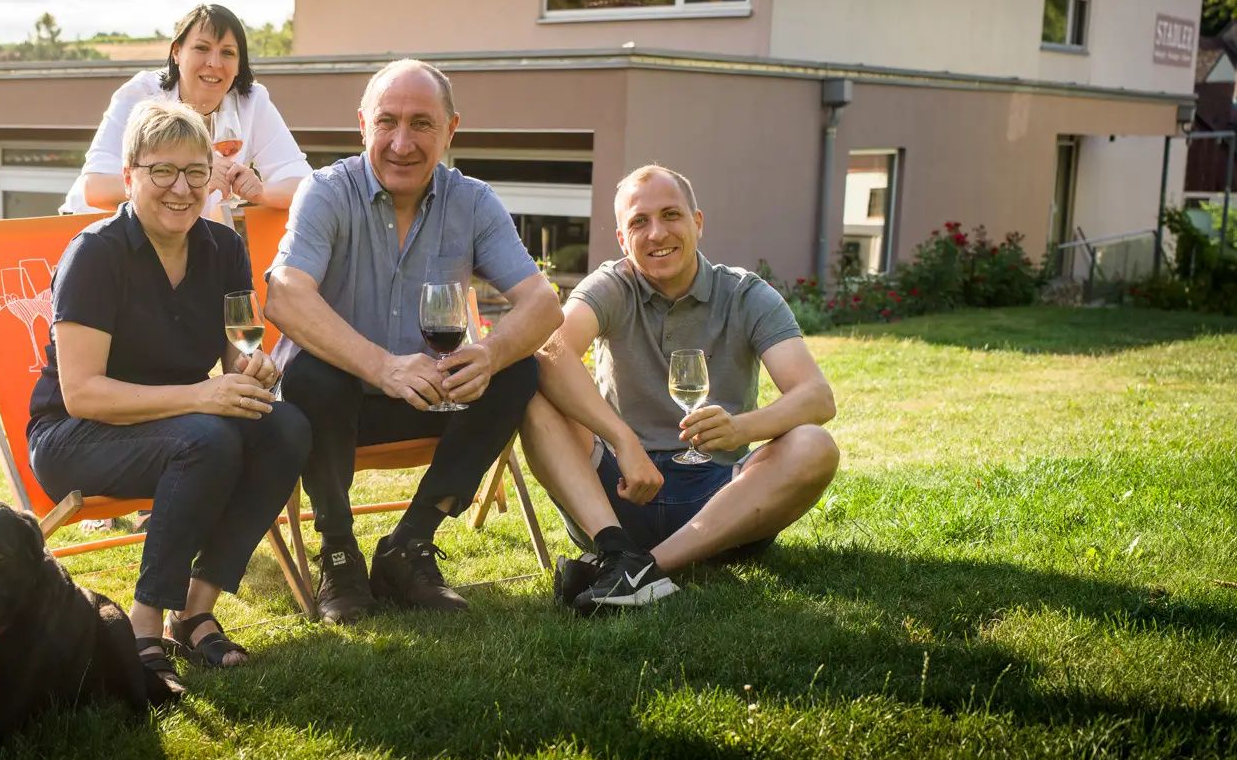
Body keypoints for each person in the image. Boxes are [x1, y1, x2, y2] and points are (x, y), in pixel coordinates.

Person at [264, 58, 562, 620]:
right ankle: (338, 553)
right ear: (363, 126)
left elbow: (544, 303)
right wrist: (383, 367)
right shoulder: (326, 192)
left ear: (451, 130)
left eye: (422, 124)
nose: (402, 142)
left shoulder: (472, 201)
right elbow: (284, 296)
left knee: (517, 370)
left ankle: (409, 543)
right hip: (332, 410)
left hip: (431, 396)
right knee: (310, 372)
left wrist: (491, 352)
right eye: (387, 122)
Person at [29, 98, 311, 691]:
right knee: (207, 437)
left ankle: (197, 610)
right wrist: (202, 397)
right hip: (76, 437)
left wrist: (251, 368)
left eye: (195, 171)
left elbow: (235, 349)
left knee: (286, 427)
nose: (181, 188)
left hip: (179, 427)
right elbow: (81, 394)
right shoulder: (95, 254)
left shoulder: (223, 247)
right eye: (162, 171)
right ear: (130, 175)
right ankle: (144, 623)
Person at [518, 165, 840, 613]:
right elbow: (549, 352)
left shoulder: (746, 294)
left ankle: (637, 569)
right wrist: (622, 440)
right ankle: (617, 550)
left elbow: (817, 397)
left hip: (722, 502)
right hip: (622, 493)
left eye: (671, 215)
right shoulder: (612, 285)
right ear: (621, 238)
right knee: (531, 397)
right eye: (639, 221)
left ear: (698, 223)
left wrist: (742, 428)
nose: (656, 233)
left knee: (814, 444)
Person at [61, 2, 311, 221]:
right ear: (177, 53)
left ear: (239, 64)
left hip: (180, 240)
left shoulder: (252, 101)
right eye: (202, 48)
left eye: (228, 53)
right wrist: (193, 177)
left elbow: (306, 187)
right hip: (95, 233)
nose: (214, 63)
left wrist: (260, 193)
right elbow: (95, 189)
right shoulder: (141, 94)